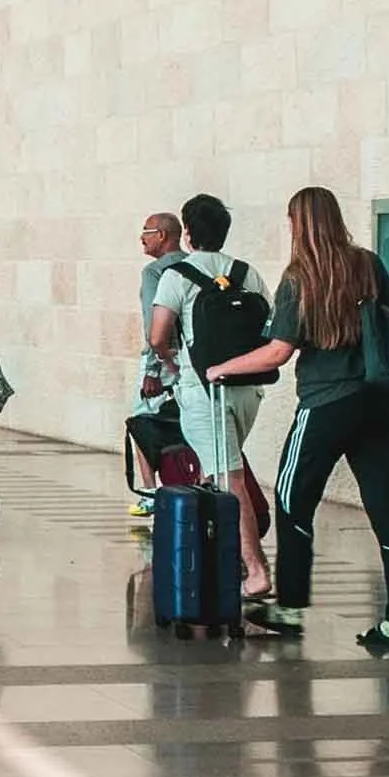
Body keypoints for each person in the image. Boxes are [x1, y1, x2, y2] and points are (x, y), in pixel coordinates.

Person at [206, 183, 389, 653]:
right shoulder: (367, 263)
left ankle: (290, 609)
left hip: (328, 403)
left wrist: (222, 367)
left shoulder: (298, 277)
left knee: (291, 499)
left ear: (298, 223)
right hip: (383, 404)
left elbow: (279, 352)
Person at [146, 192, 274, 602]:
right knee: (217, 472)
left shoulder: (176, 276)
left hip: (205, 391)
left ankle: (256, 571)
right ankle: (218, 554)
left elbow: (157, 336)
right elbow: (268, 325)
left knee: (228, 477)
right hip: (248, 389)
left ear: (187, 232)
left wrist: (172, 364)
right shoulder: (247, 273)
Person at [128, 207, 187, 523]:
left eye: (146, 231)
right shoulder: (194, 266)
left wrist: (152, 369)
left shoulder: (155, 273)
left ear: (162, 235)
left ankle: (151, 493)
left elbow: (155, 324)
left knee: (141, 422)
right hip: (191, 360)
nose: (141, 237)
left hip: (163, 359)